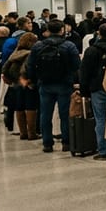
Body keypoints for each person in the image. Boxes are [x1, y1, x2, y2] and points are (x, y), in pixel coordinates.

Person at [26, 21, 80, 153]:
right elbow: (77, 65)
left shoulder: (38, 46)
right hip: (64, 83)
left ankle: (47, 143)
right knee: (65, 114)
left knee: (45, 114)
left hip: (45, 84)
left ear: (48, 30)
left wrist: (31, 80)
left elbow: (30, 65)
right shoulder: (69, 45)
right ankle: (66, 142)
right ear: (62, 30)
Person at [80, 24, 106, 160]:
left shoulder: (92, 51)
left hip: (98, 88)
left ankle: (103, 150)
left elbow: (85, 72)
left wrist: (84, 91)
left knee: (101, 119)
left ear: (99, 34)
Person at [2, 33, 38, 141]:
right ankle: (32, 133)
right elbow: (25, 69)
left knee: (19, 107)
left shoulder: (15, 53)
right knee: (31, 107)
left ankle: (23, 132)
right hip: (27, 83)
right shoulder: (30, 54)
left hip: (15, 84)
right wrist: (27, 80)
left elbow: (5, 68)